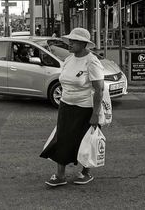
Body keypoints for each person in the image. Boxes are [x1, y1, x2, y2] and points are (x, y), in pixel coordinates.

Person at [40, 27, 104, 187]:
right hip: (66, 105)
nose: (70, 44)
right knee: (62, 139)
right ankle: (60, 175)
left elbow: (99, 89)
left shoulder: (92, 61)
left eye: (74, 41)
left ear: (83, 44)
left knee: (85, 141)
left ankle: (86, 172)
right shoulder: (69, 59)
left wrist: (95, 113)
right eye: (70, 40)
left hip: (85, 108)